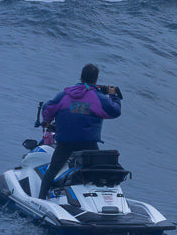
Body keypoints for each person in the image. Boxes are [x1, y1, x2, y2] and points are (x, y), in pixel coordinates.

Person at [37, 64, 121, 199]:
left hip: (65, 142)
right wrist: (113, 96)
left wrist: (47, 121)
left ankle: (40, 198)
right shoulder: (98, 97)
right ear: (96, 78)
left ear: (81, 76)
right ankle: (99, 201)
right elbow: (114, 111)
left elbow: (47, 108)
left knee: (52, 170)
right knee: (98, 172)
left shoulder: (64, 95)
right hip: (88, 143)